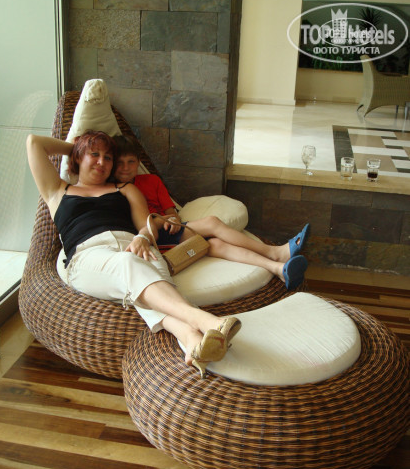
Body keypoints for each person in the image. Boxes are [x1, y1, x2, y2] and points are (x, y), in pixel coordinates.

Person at [26, 130, 242, 379]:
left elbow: (146, 226)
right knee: (131, 265)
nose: (101, 162)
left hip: (137, 247)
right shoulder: (57, 191)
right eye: (94, 155)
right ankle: (207, 321)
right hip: (89, 256)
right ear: (78, 158)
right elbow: (34, 143)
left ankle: (192, 341)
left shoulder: (125, 188)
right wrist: (76, 148)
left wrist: (142, 237)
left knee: (152, 284)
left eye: (108, 157)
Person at [113, 135, 310, 291]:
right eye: (120, 163)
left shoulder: (152, 181)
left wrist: (172, 219)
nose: (125, 168)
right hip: (154, 239)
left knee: (216, 244)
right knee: (211, 222)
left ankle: (278, 269)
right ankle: (274, 253)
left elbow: (172, 212)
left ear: (138, 162)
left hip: (173, 229)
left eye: (131, 162)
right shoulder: (115, 191)